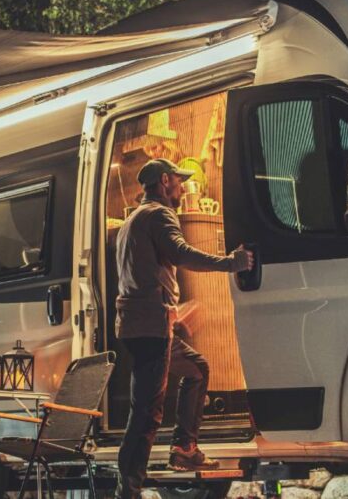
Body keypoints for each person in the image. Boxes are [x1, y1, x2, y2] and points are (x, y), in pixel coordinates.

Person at [115, 158, 254, 498]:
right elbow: (181, 254)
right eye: (179, 181)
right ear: (165, 181)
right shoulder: (159, 215)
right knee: (146, 414)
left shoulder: (131, 220)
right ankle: (127, 491)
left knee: (196, 369)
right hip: (151, 327)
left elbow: (144, 276)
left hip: (144, 324)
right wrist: (230, 263)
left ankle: (184, 449)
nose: (182, 188)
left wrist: (172, 310)